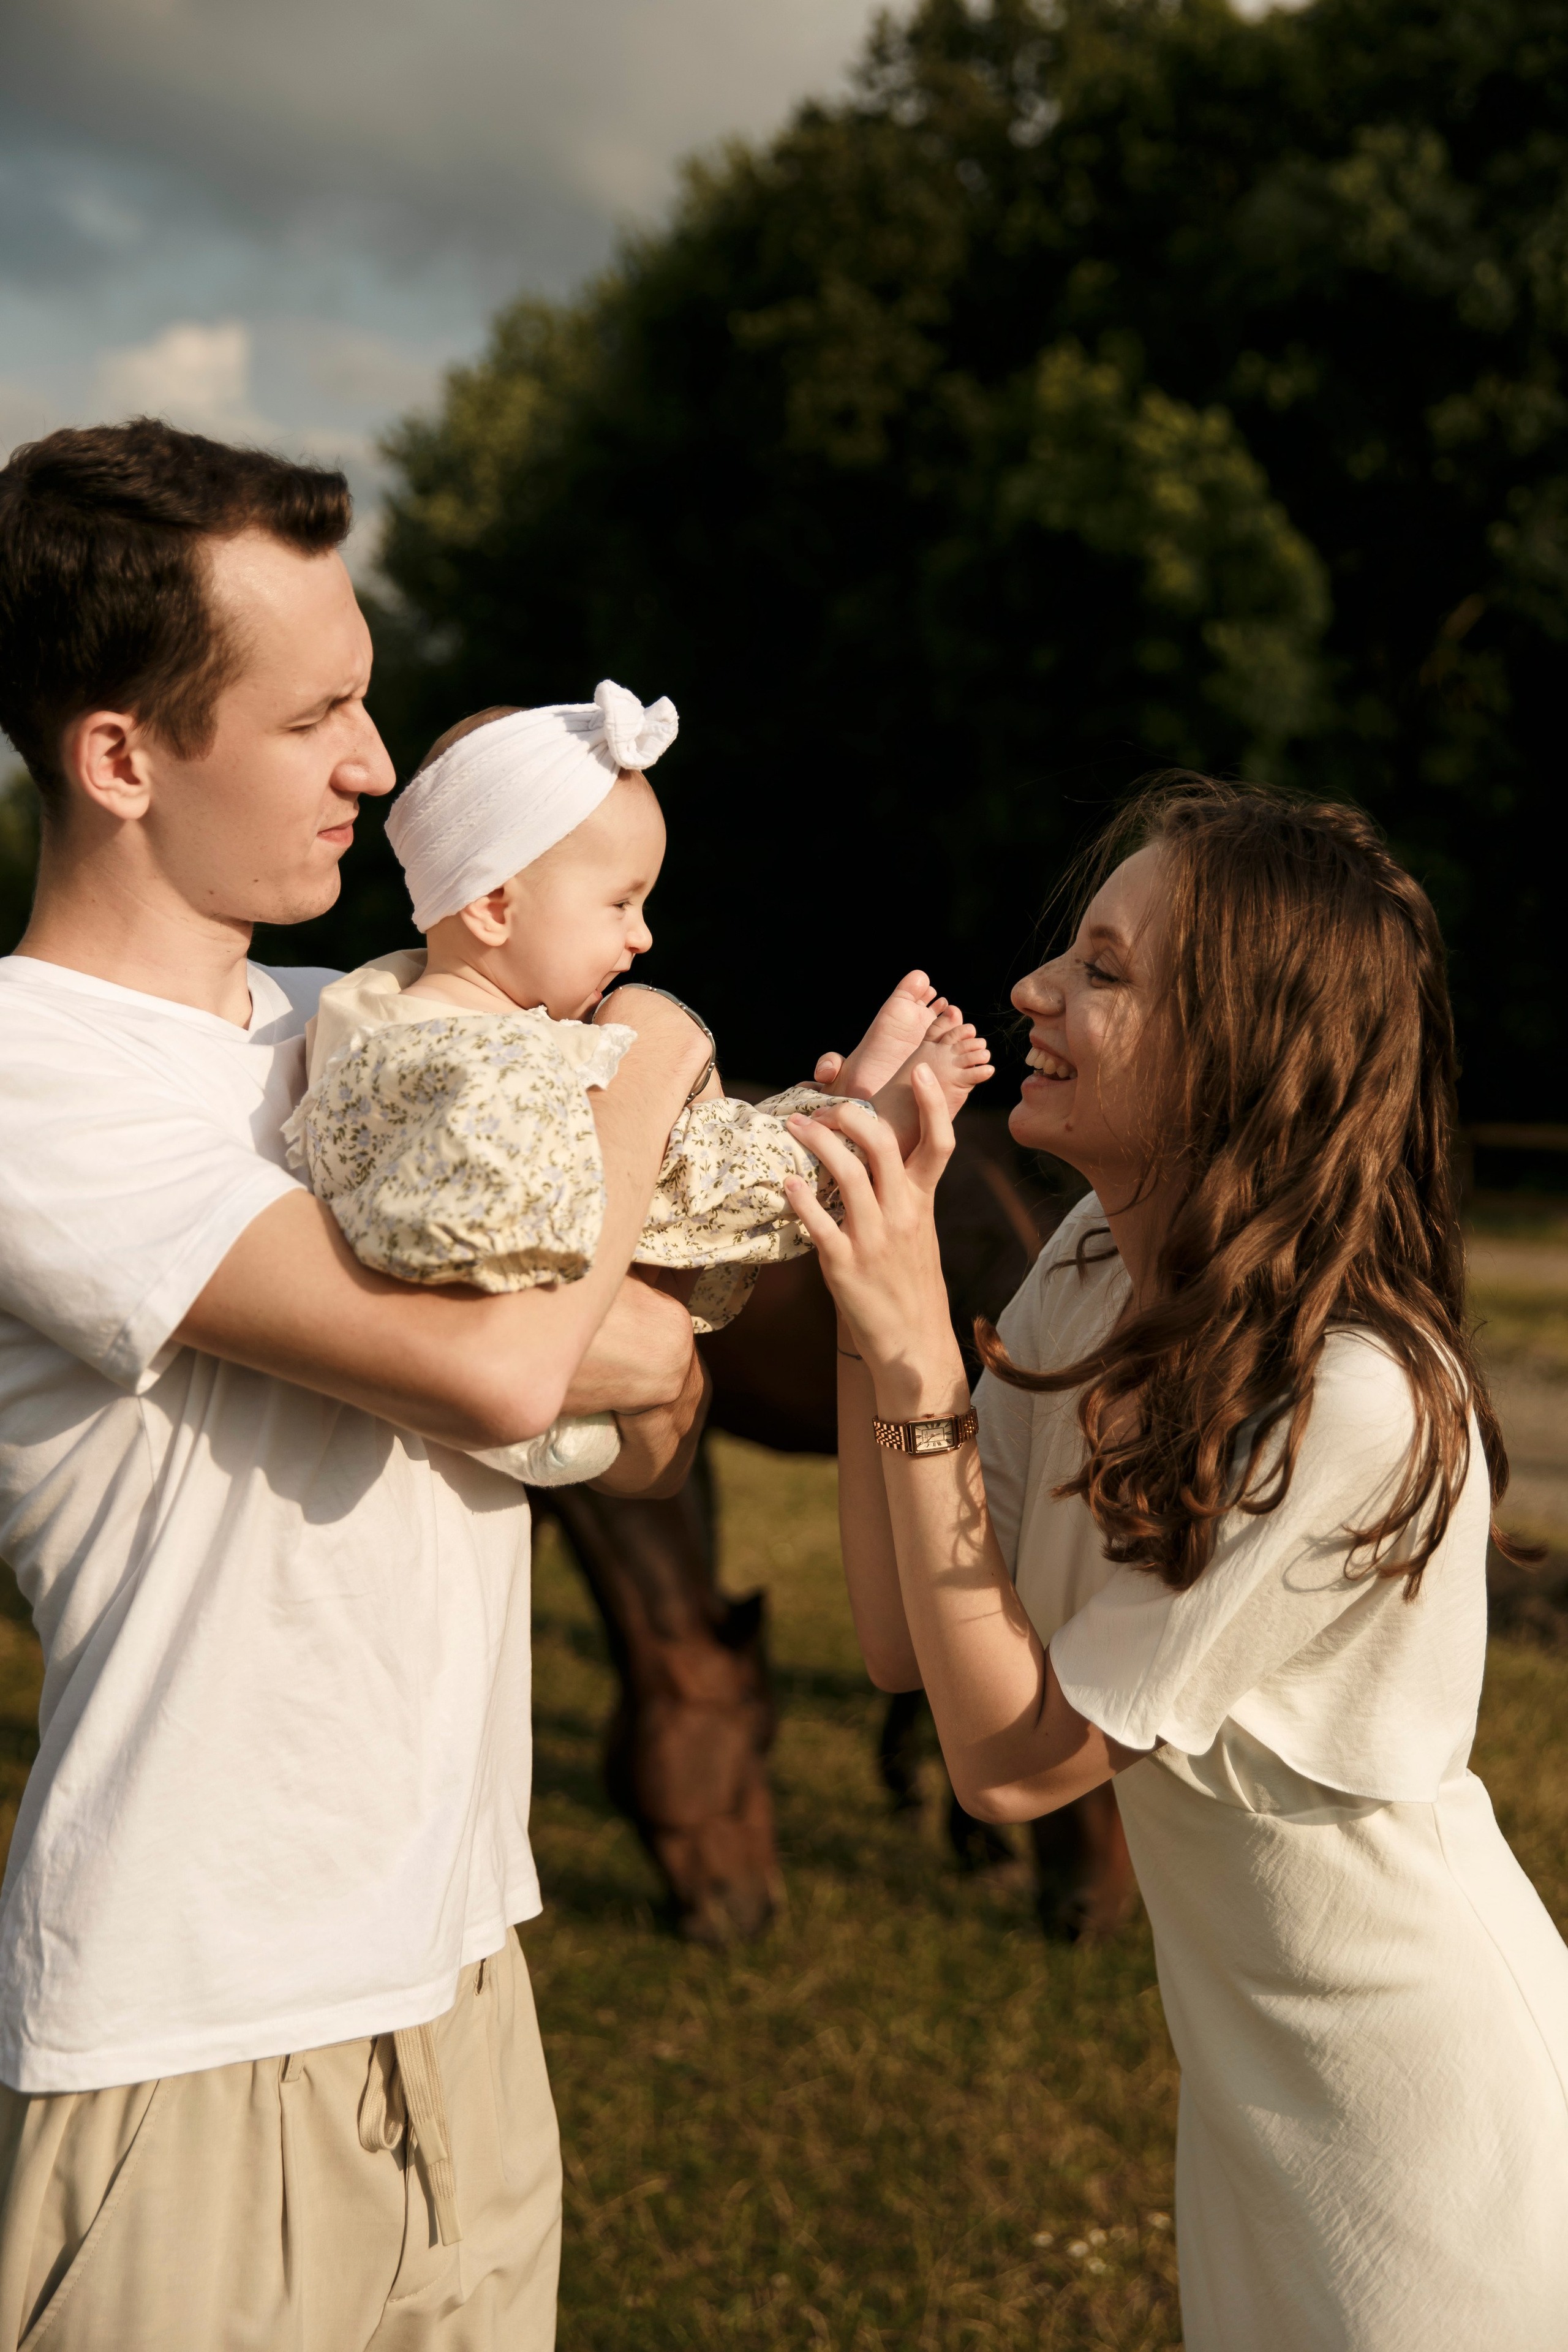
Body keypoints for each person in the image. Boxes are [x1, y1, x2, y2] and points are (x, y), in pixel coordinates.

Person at [0, 420, 723, 2350]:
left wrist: (613, 1345)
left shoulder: (372, 1025)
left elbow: (654, 1422)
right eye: (318, 715)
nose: (379, 766)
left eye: (369, 700)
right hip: (192, 2034)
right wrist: (651, 1068)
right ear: (121, 758)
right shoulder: (29, 1077)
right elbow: (513, 1376)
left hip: (466, 1973)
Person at [784, 778, 1568, 2351]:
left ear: (1242, 1049)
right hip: (1247, 2101)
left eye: (1103, 970)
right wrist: (880, 1290)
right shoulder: (1089, 1273)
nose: (1032, 991)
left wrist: (919, 1341)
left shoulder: (1351, 1395)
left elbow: (1017, 1768)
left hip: (1423, 2115)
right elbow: (905, 1646)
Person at [293, 691, 994, 1484]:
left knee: (676, 1144)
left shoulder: (376, 1013)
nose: (643, 934)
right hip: (535, 1378)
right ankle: (853, 1131)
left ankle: (835, 1116)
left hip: (535, 1356)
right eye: (620, 903)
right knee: (684, 1164)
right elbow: (650, 1183)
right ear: (492, 906)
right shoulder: (487, 1066)